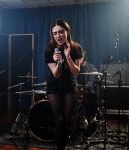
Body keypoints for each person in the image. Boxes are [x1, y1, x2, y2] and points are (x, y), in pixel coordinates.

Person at [45, 19, 83, 150]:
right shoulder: (49, 49)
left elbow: (76, 72)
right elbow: (55, 74)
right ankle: (59, 147)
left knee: (67, 119)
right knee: (58, 119)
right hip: (54, 86)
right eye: (55, 33)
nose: (58, 36)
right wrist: (58, 62)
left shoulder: (76, 48)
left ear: (67, 32)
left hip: (69, 85)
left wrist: (67, 56)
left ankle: (62, 144)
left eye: (61, 32)